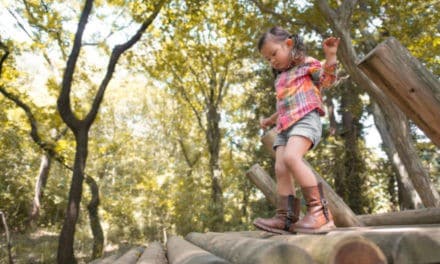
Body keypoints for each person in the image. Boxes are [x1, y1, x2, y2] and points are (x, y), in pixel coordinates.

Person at [253, 26, 339, 234]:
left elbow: (327, 80)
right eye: (267, 59)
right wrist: (270, 120)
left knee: (292, 158)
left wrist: (331, 57)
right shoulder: (280, 78)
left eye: (274, 53)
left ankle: (321, 214)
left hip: (306, 119)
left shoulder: (307, 64)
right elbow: (284, 105)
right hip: (284, 127)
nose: (272, 61)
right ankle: (286, 219)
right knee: (281, 168)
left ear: (289, 44)